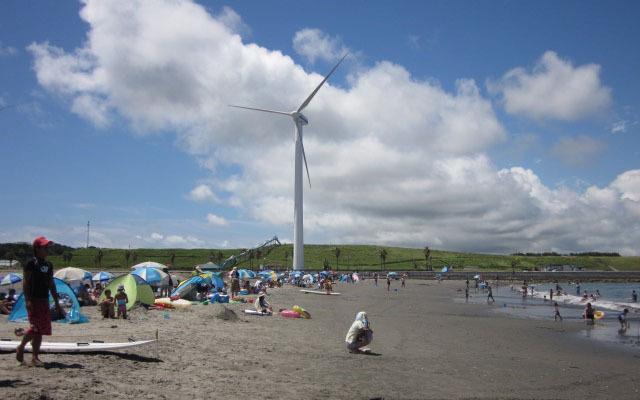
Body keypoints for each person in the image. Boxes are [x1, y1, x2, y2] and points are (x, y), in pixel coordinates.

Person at [16, 236, 66, 367]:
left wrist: (56, 300)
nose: (47, 249)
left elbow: (51, 283)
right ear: (37, 249)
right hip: (34, 299)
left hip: (44, 300)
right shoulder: (31, 263)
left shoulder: (48, 265)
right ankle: (21, 347)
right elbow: (26, 282)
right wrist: (27, 300)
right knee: (35, 327)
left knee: (41, 330)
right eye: (44, 247)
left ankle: (35, 357)